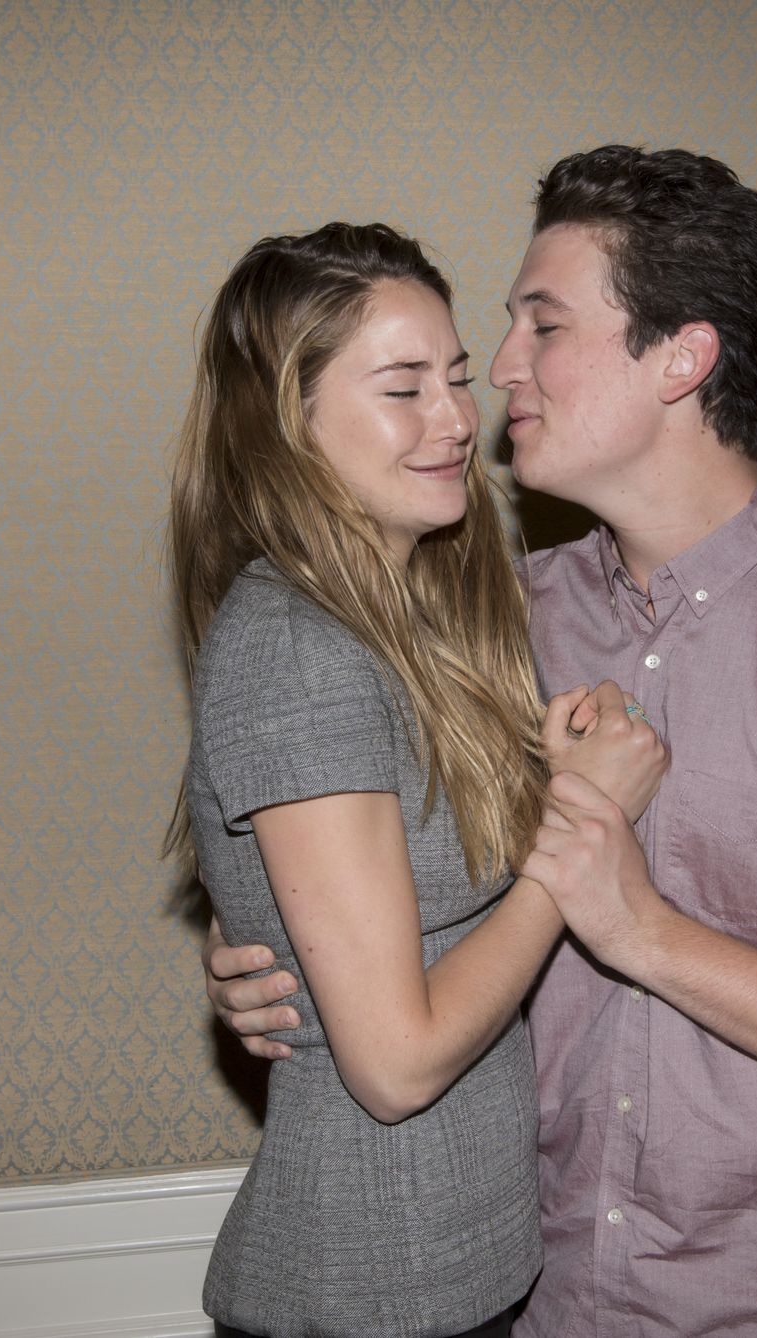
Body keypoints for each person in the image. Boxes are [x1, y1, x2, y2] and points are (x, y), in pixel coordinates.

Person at [204, 150, 757, 1337]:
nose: (498, 373)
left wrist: (640, 928)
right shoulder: (492, 622)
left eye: (542, 326)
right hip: (518, 1300)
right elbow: (371, 890)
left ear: (682, 358)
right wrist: (283, 953)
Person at [168, 220, 666, 1338]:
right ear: (288, 422)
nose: (456, 421)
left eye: (452, 377)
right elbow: (393, 1067)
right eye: (403, 389)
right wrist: (578, 833)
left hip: (465, 1275)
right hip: (365, 1293)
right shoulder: (297, 645)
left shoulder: (427, 613)